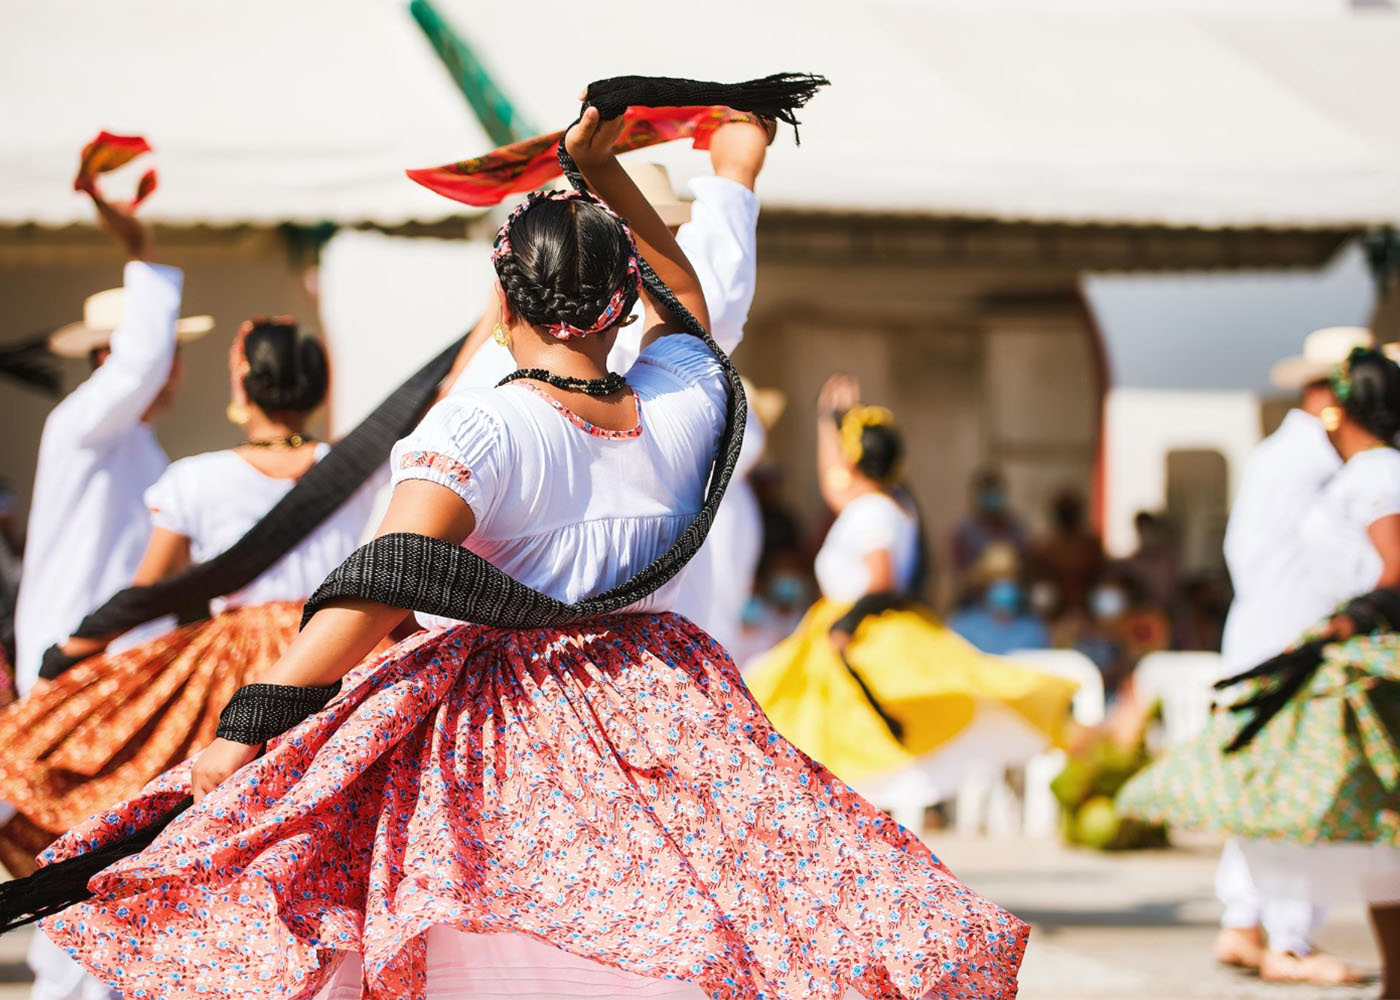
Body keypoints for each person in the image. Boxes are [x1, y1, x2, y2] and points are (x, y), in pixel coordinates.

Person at [14, 88, 1027, 999]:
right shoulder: (681, 404)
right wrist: (692, 175)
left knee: (485, 956)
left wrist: (242, 733)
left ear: (504, 299)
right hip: (664, 709)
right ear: (621, 301)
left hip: (498, 733)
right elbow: (699, 305)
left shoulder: (481, 429)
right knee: (659, 940)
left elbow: (380, 583)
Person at [0, 317, 381, 876]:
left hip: (236, 671)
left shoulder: (196, 479)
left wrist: (77, 650)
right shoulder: (361, 473)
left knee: (220, 811)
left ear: (243, 385)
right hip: (341, 647)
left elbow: (150, 590)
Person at [1120, 345, 1400, 994]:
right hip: (1300, 649)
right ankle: (1276, 933)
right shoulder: (1327, 462)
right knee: (1312, 806)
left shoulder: (1354, 467)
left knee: (1325, 806)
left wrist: (1355, 616)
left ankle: (1269, 931)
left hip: (1317, 648)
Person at [449, 122, 772, 653]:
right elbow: (697, 289)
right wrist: (735, 174)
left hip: (502, 684)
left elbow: (395, 567)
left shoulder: (473, 401)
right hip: (648, 673)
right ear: (630, 285)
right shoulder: (681, 392)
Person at [746, 373, 1076, 816]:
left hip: (855, 631)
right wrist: (830, 421)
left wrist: (847, 624)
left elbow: (881, 579)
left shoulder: (871, 513)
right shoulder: (891, 502)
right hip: (850, 626)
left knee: (843, 741)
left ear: (856, 460)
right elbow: (834, 484)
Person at [1208, 326, 1368, 984]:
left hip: (1267, 637)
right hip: (1294, 643)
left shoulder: (1285, 454)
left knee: (1266, 792)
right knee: (1303, 791)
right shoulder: (1320, 463)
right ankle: (1290, 940)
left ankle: (1246, 925)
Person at [11, 191, 213, 696]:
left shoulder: (136, 443)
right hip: (73, 663)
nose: (175, 367)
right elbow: (139, 362)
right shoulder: (79, 425)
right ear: (109, 360)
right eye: (170, 350)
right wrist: (139, 245)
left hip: (121, 663)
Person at [950, 467, 1027, 602]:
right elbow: (960, 575)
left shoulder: (1015, 528)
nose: (992, 497)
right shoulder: (964, 531)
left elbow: (1026, 567)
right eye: (987, 492)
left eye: (995, 491)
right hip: (975, 603)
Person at [1030, 488, 1104, 619]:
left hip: (1088, 609)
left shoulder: (1091, 546)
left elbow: (1101, 577)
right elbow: (1040, 583)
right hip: (1054, 610)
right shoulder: (1046, 547)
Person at [949, 575, 1050, 656]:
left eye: (1010, 574)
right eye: (998, 575)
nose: (1004, 582)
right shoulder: (965, 625)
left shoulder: (1032, 630)